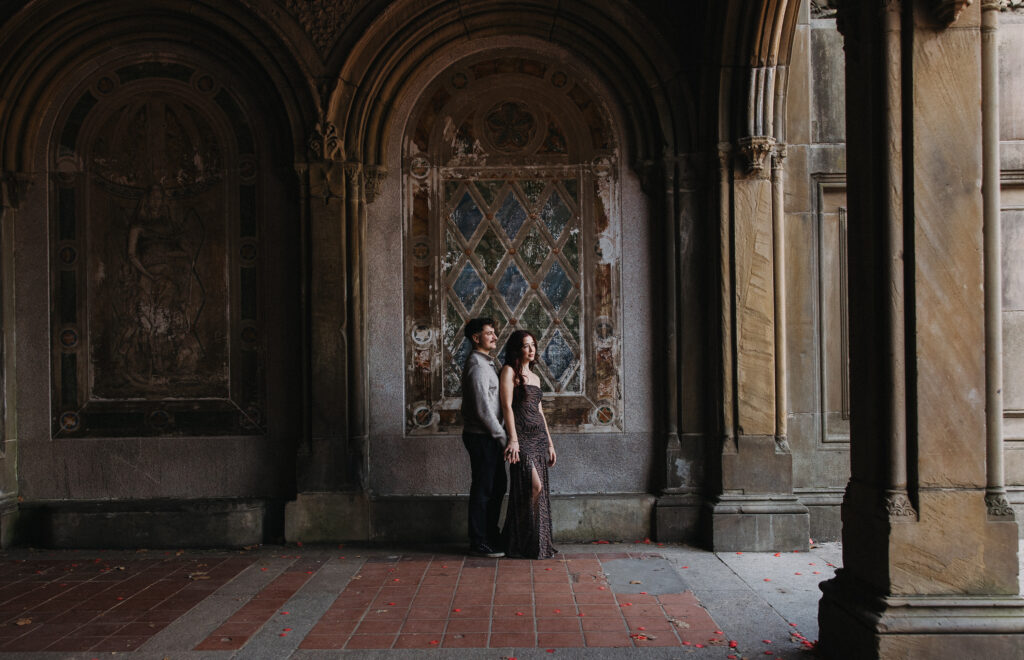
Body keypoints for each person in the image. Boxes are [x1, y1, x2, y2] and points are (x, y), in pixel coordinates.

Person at [500, 329, 557, 559]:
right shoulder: (509, 372)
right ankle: (520, 536)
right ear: (517, 348)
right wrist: (513, 439)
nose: (531, 349)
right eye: (526, 345)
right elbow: (506, 407)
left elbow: (540, 413)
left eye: (533, 344)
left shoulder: (535, 377)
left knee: (537, 493)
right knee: (534, 487)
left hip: (539, 439)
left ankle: (532, 540)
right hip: (521, 439)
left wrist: (551, 444)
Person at [460, 317, 507, 558]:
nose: (495, 337)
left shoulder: (486, 363)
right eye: (489, 333)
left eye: (494, 332)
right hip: (482, 437)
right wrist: (502, 437)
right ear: (476, 338)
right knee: (484, 488)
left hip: (489, 436)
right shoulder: (477, 366)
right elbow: (482, 410)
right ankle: (479, 541)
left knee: (497, 486)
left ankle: (490, 535)